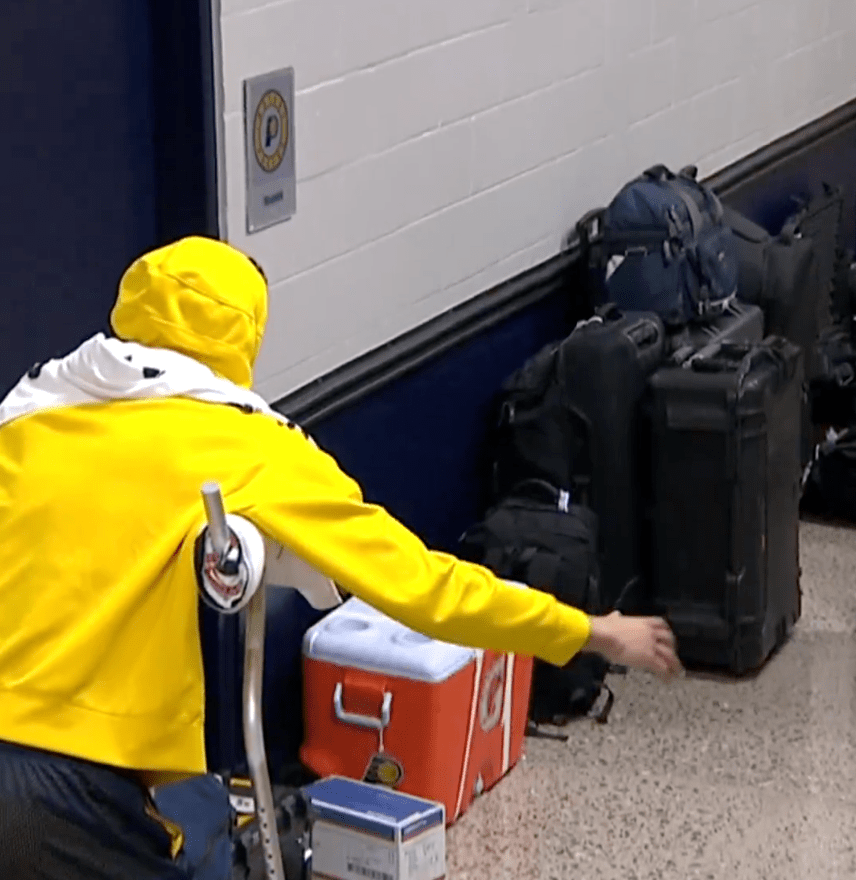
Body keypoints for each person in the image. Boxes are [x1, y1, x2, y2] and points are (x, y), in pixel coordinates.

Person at [0, 236, 681, 879]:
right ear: (243, 339)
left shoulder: (32, 412)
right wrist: (586, 630)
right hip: (57, 786)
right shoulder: (249, 444)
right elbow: (424, 587)